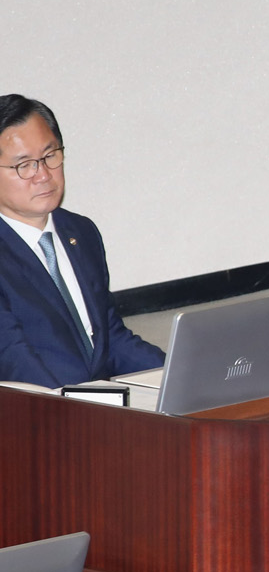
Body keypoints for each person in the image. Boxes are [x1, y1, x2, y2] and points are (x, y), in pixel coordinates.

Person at [0, 95, 163, 387]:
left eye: (50, 156)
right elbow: (13, 359)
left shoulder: (81, 232)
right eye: (24, 165)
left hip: (95, 409)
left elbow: (110, 339)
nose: (43, 175)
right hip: (36, 417)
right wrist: (80, 411)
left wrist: (178, 375)